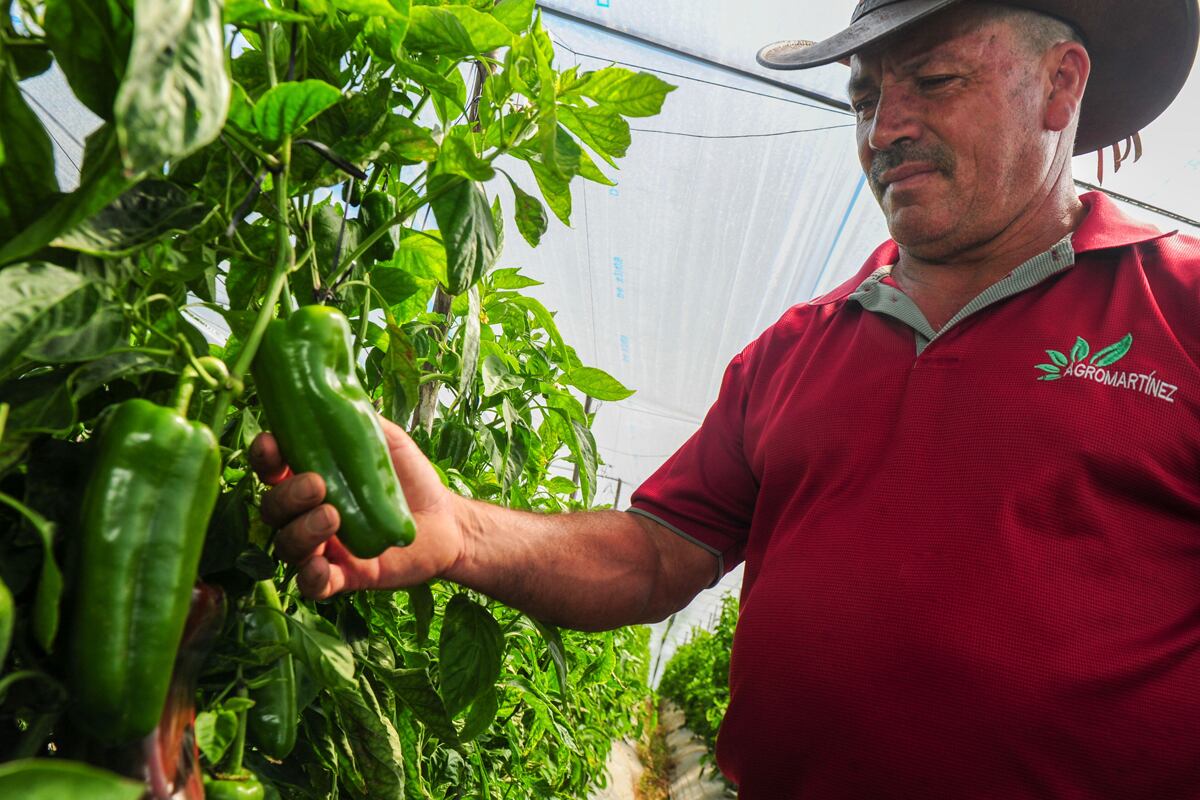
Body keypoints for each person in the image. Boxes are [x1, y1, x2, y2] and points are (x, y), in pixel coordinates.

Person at [250, 0, 1200, 796]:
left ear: (1061, 85)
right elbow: (657, 555)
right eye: (863, 99)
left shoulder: (1181, 309)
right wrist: (459, 531)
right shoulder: (797, 349)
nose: (884, 128)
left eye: (934, 81)